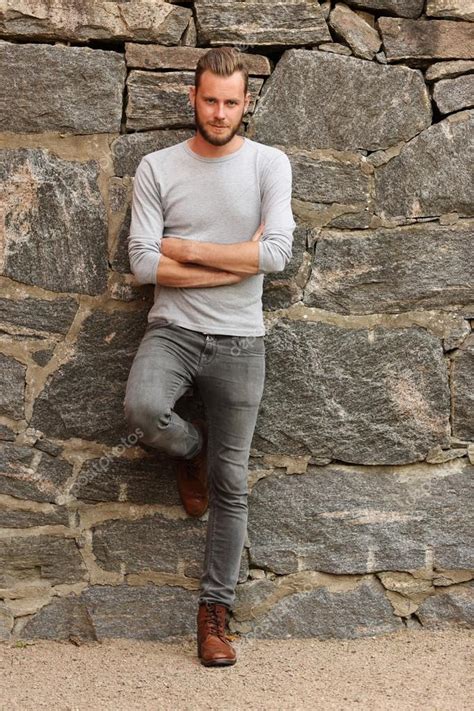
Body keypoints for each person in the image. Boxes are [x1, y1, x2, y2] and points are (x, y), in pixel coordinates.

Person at [124, 46, 295, 667]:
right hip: (172, 329)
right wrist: (234, 260)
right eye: (210, 100)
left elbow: (275, 254)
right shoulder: (156, 167)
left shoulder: (269, 164)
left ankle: (214, 611)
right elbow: (144, 264)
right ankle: (188, 448)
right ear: (193, 99)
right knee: (143, 411)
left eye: (231, 101)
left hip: (241, 341)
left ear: (245, 103)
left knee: (233, 483)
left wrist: (189, 254)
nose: (220, 112)